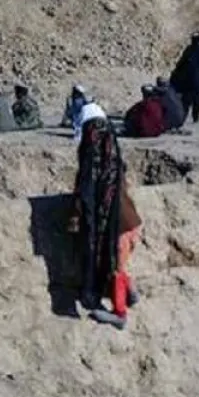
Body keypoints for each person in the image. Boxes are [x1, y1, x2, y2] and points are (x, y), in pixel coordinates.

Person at [69, 107, 140, 329]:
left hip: (121, 227)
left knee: (116, 266)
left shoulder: (98, 176)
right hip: (131, 222)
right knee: (119, 263)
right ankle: (132, 292)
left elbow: (87, 195)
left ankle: (120, 314)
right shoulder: (114, 165)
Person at [170, 32, 199, 123]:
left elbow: (180, 65)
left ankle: (181, 121)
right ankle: (195, 119)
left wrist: (174, 78)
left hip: (188, 83)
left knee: (185, 103)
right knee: (197, 102)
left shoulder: (189, 50)